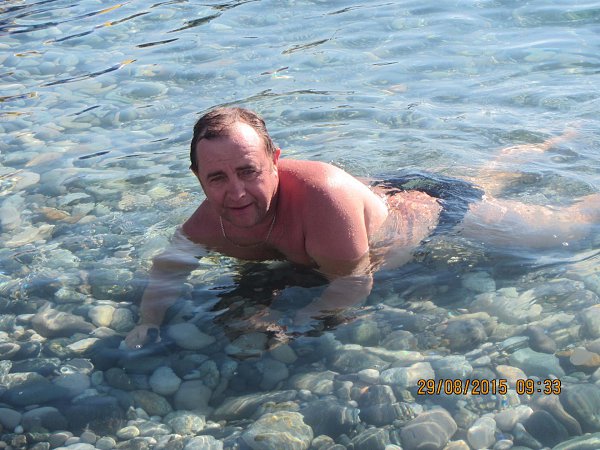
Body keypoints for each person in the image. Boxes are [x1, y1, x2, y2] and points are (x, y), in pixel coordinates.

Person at [125, 107, 599, 348]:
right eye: (217, 178)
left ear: (275, 161)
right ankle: (554, 141)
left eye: (248, 171)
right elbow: (169, 266)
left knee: (567, 228)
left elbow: (353, 283)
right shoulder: (208, 221)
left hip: (436, 211)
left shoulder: (323, 199)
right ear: (198, 178)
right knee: (487, 177)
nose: (236, 192)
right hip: (380, 193)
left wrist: (296, 326)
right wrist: (148, 322)